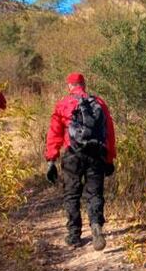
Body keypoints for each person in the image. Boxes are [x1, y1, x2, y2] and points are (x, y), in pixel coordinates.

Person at [45, 72, 116, 250]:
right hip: (96, 153)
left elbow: (54, 133)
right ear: (84, 84)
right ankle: (96, 225)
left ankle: (74, 235)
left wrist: (51, 160)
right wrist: (109, 157)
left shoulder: (63, 104)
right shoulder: (99, 103)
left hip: (73, 154)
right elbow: (109, 132)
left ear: (69, 86)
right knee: (94, 193)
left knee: (72, 193)